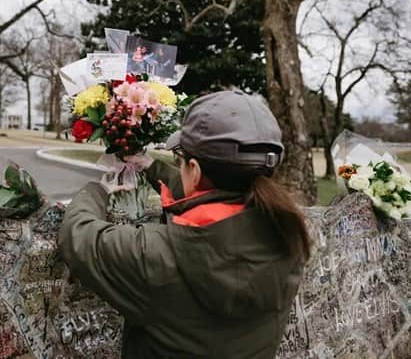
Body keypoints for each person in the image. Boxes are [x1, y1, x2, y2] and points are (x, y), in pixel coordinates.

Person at [59, 90, 311, 358]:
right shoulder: (289, 238)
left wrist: (97, 190)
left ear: (195, 170)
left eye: (179, 161)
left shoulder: (157, 256)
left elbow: (78, 234)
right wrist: (152, 167)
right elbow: (217, 196)